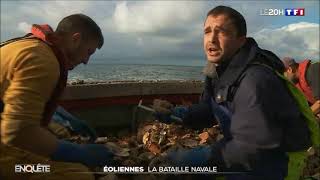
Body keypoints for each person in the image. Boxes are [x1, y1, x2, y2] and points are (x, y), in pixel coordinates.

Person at [151, 6, 313, 180]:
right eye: (207, 32)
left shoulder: (255, 80)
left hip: (277, 161)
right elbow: (210, 109)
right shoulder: (217, 71)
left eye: (221, 32)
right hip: (243, 149)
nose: (211, 39)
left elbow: (253, 147)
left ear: (241, 40)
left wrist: (201, 158)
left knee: (192, 167)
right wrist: (175, 113)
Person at [0, 14, 114, 179]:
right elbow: (17, 132)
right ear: (76, 39)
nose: (86, 61)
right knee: (78, 174)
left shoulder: (28, 45)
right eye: (88, 52)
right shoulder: (42, 59)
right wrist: (76, 152)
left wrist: (65, 121)